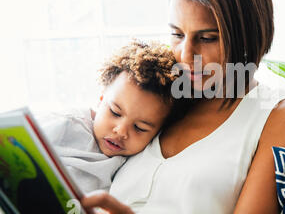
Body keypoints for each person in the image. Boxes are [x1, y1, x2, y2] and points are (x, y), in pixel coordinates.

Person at [66, 0, 285, 214]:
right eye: (177, 33)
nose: (184, 56)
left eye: (207, 38)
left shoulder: (277, 117)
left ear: (247, 33)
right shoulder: (160, 98)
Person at [38, 41, 179, 194]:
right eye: (115, 112)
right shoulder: (67, 124)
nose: (121, 131)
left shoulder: (134, 163)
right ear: (100, 100)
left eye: (140, 128)